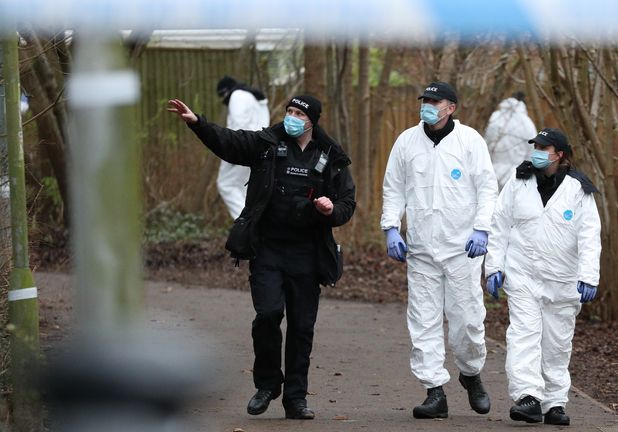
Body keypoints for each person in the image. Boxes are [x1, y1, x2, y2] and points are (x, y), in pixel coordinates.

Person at [167, 94, 355, 420]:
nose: (292, 117)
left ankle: (295, 399)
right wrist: (197, 123)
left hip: (308, 255)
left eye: (299, 113)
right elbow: (229, 143)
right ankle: (267, 384)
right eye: (289, 111)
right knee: (268, 314)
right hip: (268, 249)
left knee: (302, 328)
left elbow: (347, 203)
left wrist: (330, 210)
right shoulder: (266, 144)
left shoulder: (330, 156)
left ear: (313, 120)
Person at [380, 81, 498, 419]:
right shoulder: (407, 141)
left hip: (463, 249)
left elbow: (487, 189)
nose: (428, 106)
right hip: (421, 249)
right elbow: (394, 188)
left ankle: (471, 373)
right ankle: (434, 391)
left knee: (468, 321)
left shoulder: (470, 141)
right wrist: (391, 228)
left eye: (435, 101)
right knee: (423, 320)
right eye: (425, 100)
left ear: (451, 107)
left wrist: (481, 228)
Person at [484, 127, 601, 426]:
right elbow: (500, 224)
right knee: (523, 335)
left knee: (557, 344)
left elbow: (590, 235)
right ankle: (527, 397)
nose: (536, 152)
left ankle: (554, 402)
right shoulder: (518, 180)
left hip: (562, 281)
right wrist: (493, 267)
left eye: (543, 148)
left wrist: (589, 276)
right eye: (534, 146)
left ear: (559, 155)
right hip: (523, 274)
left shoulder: (578, 189)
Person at [215, 75, 271, 219]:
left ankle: (246, 225)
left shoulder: (237, 96)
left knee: (225, 184)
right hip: (259, 146)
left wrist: (232, 150)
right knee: (244, 189)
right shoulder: (254, 97)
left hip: (243, 146)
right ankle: (255, 226)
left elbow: (238, 125)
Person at [483, 91, 537, 188]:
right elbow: (532, 152)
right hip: (518, 175)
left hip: (493, 173)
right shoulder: (527, 123)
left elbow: (485, 144)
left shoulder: (495, 118)